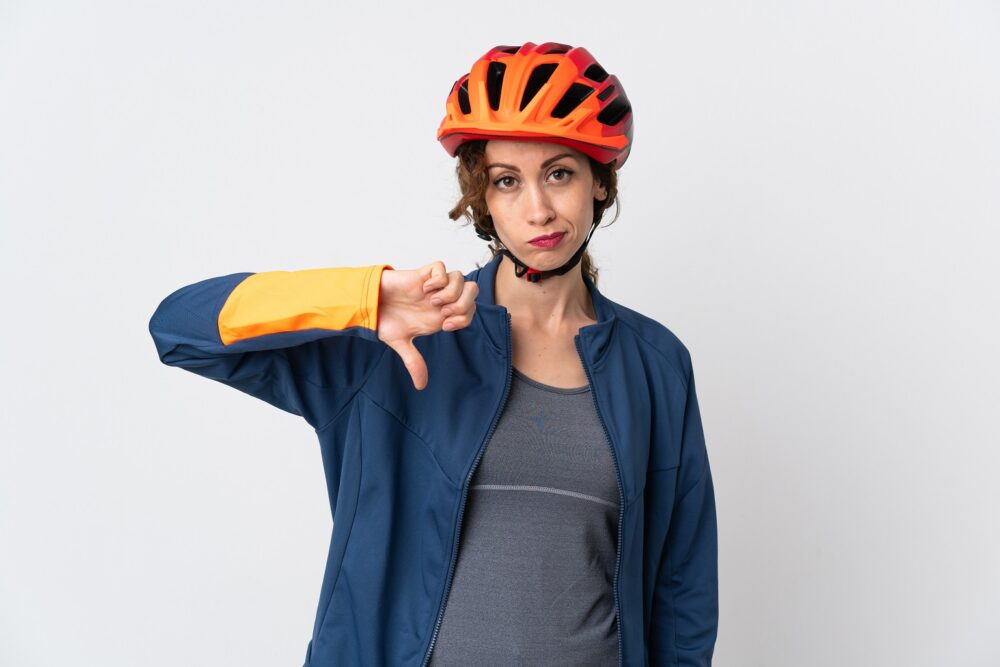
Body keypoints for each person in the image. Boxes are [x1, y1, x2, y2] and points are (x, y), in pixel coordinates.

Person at [148, 41, 717, 667]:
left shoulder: (655, 365)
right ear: (483, 200)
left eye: (560, 173)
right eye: (507, 182)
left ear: (600, 182)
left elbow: (681, 589)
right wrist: (361, 298)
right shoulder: (402, 337)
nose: (538, 209)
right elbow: (179, 329)